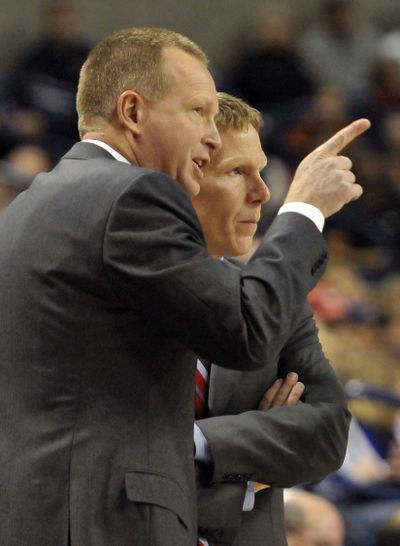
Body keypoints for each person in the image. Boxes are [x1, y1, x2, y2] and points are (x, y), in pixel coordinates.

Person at [0, 26, 369, 546]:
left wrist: (197, 449)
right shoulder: (130, 196)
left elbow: (326, 429)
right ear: (132, 112)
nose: (211, 134)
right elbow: (245, 328)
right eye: (197, 112)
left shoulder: (36, 205)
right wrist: (304, 209)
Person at [191, 93, 354, 546]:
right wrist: (251, 464)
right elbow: (125, 472)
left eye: (262, 171)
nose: (263, 192)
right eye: (237, 171)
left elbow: (327, 435)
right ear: (186, 174)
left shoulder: (275, 292)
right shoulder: (117, 292)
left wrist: (202, 446)